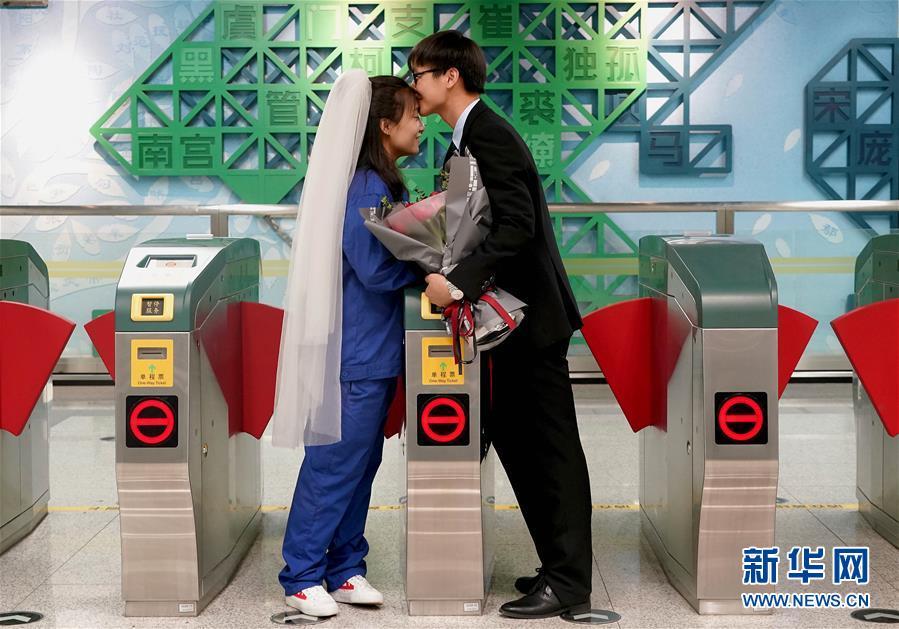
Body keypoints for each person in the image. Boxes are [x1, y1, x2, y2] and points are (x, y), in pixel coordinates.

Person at [408, 31, 593, 619]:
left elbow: (517, 224)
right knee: (520, 447)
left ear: (450, 76)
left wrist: (457, 281)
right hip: (506, 324)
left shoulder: (489, 134)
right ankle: (556, 564)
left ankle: (570, 582)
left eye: (419, 75)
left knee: (550, 451)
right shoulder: (466, 138)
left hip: (528, 321)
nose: (415, 87)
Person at [271, 71, 422, 618]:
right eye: (413, 115)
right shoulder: (366, 187)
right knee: (334, 464)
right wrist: (426, 269)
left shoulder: (379, 184)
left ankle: (345, 567)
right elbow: (374, 269)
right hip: (356, 351)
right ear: (384, 125)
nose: (420, 125)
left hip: (373, 349)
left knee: (361, 463)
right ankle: (301, 573)